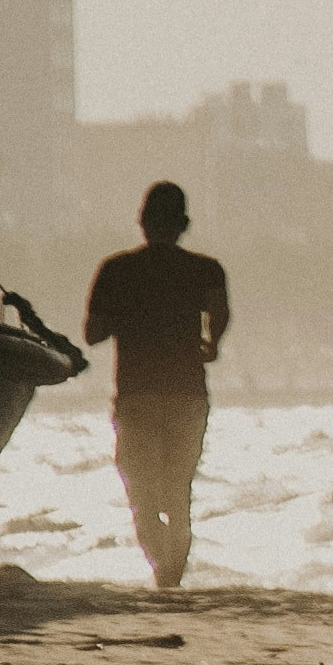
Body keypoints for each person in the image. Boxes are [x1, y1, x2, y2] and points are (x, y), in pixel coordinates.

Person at [81, 182, 229, 591]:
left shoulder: (117, 270)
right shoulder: (206, 270)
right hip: (187, 396)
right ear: (184, 224)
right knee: (178, 491)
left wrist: (126, 313)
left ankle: (164, 575)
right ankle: (171, 581)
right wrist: (211, 343)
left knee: (142, 495)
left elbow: (92, 333)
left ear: (142, 222)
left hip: (136, 397)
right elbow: (219, 315)